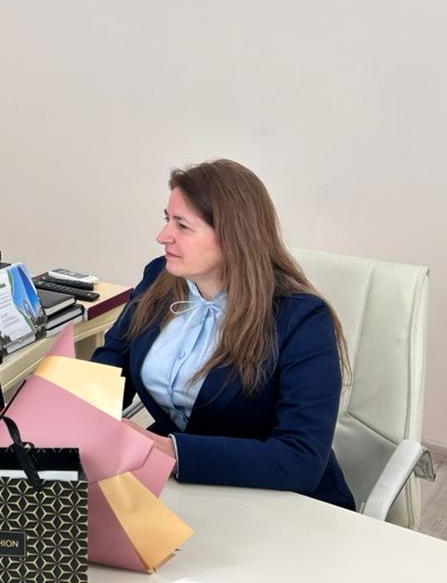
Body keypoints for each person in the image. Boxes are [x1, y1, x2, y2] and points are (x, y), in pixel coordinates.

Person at [90, 158, 354, 509]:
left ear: (234, 237)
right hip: (183, 488)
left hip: (281, 500)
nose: (163, 236)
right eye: (167, 219)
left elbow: (300, 458)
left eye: (183, 226)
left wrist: (172, 451)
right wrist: (79, 405)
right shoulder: (159, 278)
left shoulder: (301, 319)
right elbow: (115, 356)